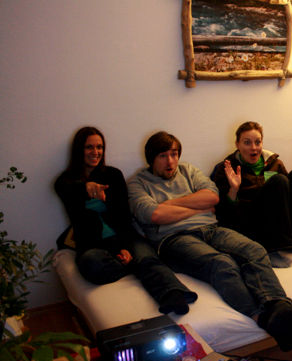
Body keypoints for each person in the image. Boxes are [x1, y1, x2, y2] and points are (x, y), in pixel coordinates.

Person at [128, 131, 292, 351]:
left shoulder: (188, 170)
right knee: (222, 263)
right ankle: (262, 318)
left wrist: (169, 206)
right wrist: (196, 207)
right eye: (163, 156)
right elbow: (153, 215)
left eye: (174, 154)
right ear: (151, 158)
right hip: (173, 238)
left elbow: (212, 197)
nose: (170, 161)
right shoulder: (138, 183)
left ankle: (279, 307)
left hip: (211, 228)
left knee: (254, 250)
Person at [55, 127, 198, 315]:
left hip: (124, 236)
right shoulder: (65, 181)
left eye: (99, 147)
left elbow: (123, 216)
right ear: (79, 150)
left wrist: (121, 247)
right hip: (92, 244)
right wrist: (86, 188)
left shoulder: (113, 175)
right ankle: (132, 266)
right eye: (89, 147)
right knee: (92, 264)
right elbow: (66, 189)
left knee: (146, 256)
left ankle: (174, 294)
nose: (95, 152)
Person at [211, 121, 292, 268]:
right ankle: (271, 248)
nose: (253, 148)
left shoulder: (274, 163)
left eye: (257, 142)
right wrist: (234, 189)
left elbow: (289, 197)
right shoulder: (227, 169)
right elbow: (224, 213)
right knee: (278, 180)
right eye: (247, 142)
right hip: (248, 222)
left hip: (276, 219)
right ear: (237, 144)